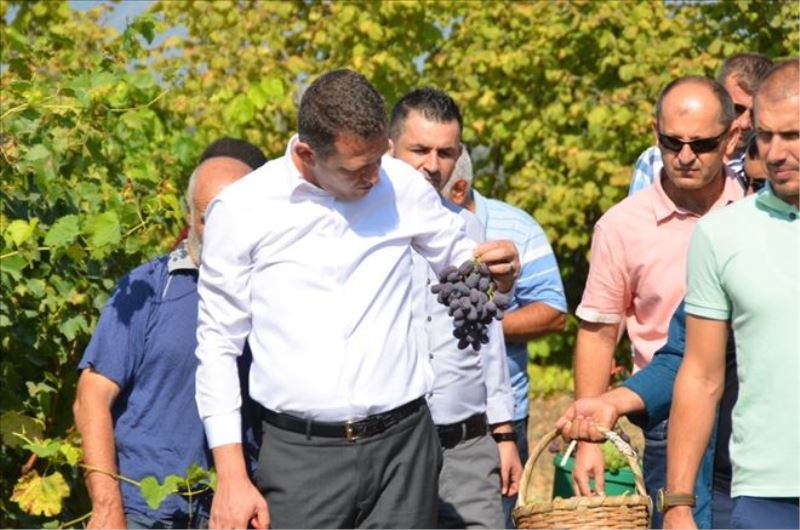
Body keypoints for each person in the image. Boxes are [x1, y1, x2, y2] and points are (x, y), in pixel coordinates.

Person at [194, 69, 520, 529]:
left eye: (377, 160)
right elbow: (217, 346)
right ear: (307, 154)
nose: (372, 178)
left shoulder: (402, 187)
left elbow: (467, 272)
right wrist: (230, 475)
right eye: (353, 169)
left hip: (404, 451)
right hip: (302, 459)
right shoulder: (242, 210)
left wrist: (500, 273)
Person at [571, 76, 745, 528]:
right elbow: (599, 333)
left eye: (702, 144)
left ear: (730, 139)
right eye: (672, 142)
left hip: (750, 411)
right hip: (666, 413)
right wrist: (590, 438)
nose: (685, 156)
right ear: (655, 133)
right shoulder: (621, 226)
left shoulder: (754, 210)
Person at [72, 139, 267, 529]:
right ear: (189, 214)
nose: (222, 232)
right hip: (147, 512)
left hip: (234, 512)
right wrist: (107, 508)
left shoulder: (274, 296)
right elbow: (91, 398)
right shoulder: (149, 288)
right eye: (208, 218)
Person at [663, 59, 799, 530]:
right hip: (764, 496)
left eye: (792, 136)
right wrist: (678, 502)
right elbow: (701, 375)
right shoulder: (721, 235)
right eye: (766, 135)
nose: (775, 152)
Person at [388, 87, 522, 528]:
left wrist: (502, 430)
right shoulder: (364, 229)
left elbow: (485, 331)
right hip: (393, 449)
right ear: (390, 148)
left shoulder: (467, 226)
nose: (432, 165)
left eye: (445, 152)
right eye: (419, 150)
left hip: (465, 445)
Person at [441, 138, 568, 528]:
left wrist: (472, 327)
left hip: (499, 420)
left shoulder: (516, 226)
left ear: (458, 189)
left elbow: (553, 313)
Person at [629, 53, 774, 195]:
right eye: (736, 109)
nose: (745, 123)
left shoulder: (767, 164)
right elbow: (636, 210)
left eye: (755, 113)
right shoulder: (656, 160)